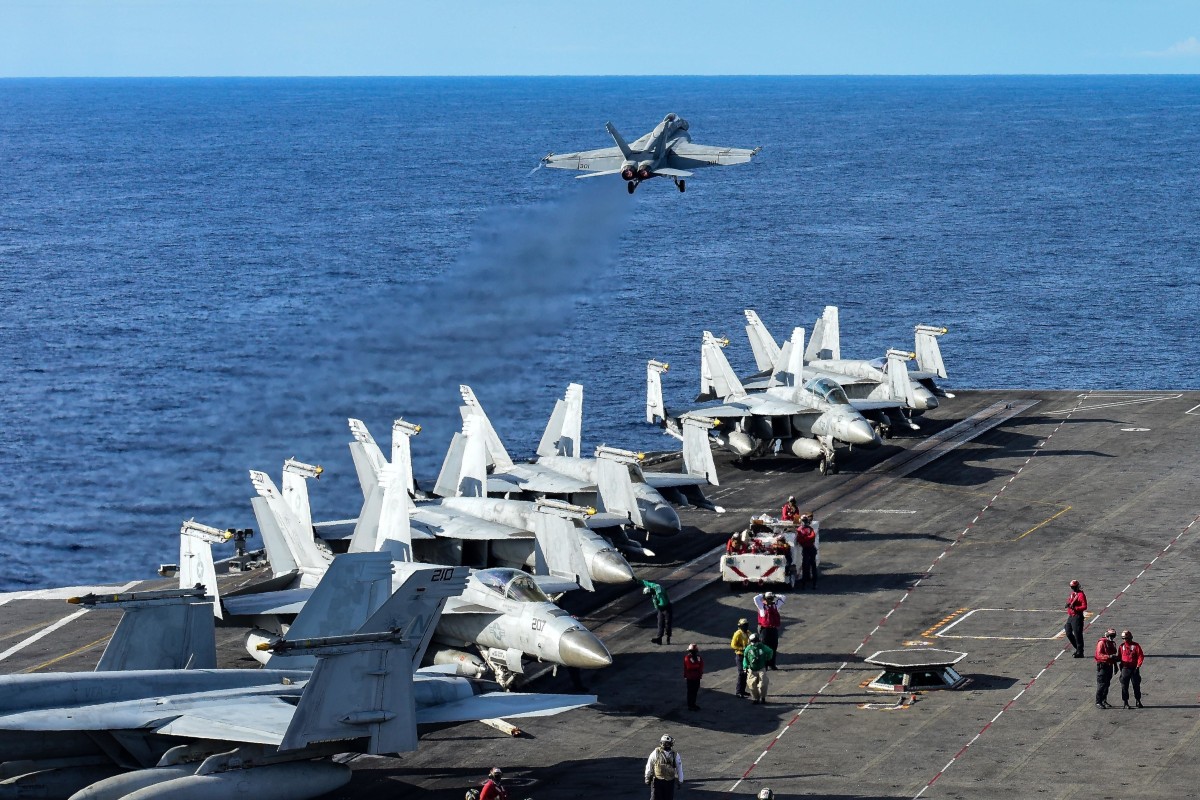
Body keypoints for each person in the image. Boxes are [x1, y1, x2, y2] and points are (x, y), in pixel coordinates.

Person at [644, 733, 684, 800]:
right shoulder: (675, 755)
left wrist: (647, 777)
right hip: (667, 782)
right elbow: (679, 768)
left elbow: (649, 765)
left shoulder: (655, 753)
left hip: (658, 781)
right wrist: (680, 781)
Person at [753, 591, 785, 669]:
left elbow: (783, 597)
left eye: (771, 598)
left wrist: (775, 595)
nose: (770, 600)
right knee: (764, 647)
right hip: (765, 630)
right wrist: (762, 595)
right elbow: (755, 598)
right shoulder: (761, 606)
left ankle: (772, 664)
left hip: (773, 629)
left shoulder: (775, 606)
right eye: (768, 599)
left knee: (774, 647)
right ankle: (765, 665)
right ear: (765, 599)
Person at [742, 632, 774, 704]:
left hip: (761, 669)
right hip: (752, 669)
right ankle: (756, 698)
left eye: (755, 641)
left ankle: (763, 697)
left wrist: (768, 658)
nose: (753, 643)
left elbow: (770, 651)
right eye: (752, 641)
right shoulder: (748, 649)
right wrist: (745, 666)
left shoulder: (762, 647)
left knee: (763, 684)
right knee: (751, 685)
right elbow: (745, 658)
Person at [1118, 629, 1145, 708]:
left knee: (1136, 685)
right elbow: (1119, 657)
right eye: (1123, 638)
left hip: (1134, 669)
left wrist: (1138, 666)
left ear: (1130, 638)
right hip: (1125, 669)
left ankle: (1138, 700)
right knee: (1124, 686)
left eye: (1126, 638)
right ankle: (1125, 702)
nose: (1125, 640)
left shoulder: (1136, 646)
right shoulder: (1121, 646)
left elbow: (1140, 656)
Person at [642, 579, 672, 645]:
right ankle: (659, 639)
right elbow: (646, 583)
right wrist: (637, 580)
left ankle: (668, 636)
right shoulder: (653, 587)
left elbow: (662, 603)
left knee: (667, 623)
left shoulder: (659, 594)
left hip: (666, 608)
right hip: (661, 609)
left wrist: (656, 604)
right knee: (660, 623)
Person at [1095, 628, 1119, 708]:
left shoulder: (1112, 643)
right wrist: (1109, 656)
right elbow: (1099, 655)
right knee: (1101, 684)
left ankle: (1104, 700)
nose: (1112, 637)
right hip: (1102, 666)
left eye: (1113, 636)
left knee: (1107, 684)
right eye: (1111, 635)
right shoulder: (1102, 642)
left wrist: (1115, 666)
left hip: (1109, 666)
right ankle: (1098, 702)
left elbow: (1114, 655)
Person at [1064, 579, 1087, 657]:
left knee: (1078, 634)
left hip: (1077, 616)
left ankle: (1080, 651)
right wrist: (1068, 604)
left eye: (1074, 587)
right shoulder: (1072, 594)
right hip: (1071, 616)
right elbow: (1070, 601)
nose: (1073, 588)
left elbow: (1084, 606)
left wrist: (1075, 608)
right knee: (1068, 632)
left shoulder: (1081, 595)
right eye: (1072, 587)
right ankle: (1078, 648)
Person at [730, 618, 751, 698]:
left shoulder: (748, 633)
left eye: (747, 625)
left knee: (746, 673)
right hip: (740, 655)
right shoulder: (738, 634)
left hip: (747, 656)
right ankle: (738, 692)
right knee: (741, 673)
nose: (746, 627)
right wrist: (741, 648)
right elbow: (733, 645)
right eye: (744, 625)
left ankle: (743, 690)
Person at [797, 520, 818, 589]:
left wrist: (804, 538)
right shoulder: (800, 529)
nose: (805, 523)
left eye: (805, 522)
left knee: (812, 566)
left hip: (809, 549)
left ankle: (812, 584)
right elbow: (800, 539)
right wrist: (807, 538)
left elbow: (812, 537)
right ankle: (805, 584)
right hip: (807, 549)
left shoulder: (808, 529)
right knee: (806, 566)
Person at [683, 643, 704, 710]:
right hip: (690, 677)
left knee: (695, 691)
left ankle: (693, 704)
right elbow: (690, 666)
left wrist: (698, 667)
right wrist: (697, 666)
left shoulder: (698, 657)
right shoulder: (687, 657)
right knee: (690, 692)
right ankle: (690, 705)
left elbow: (702, 664)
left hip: (697, 677)